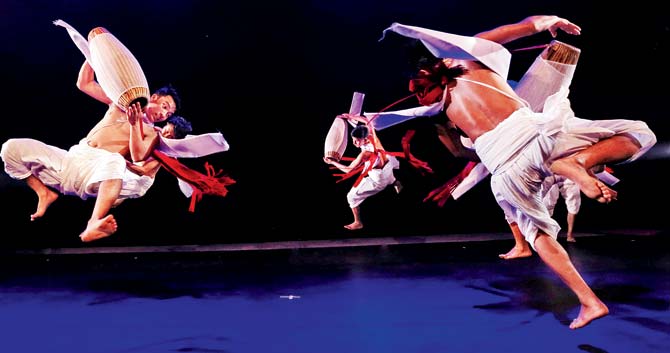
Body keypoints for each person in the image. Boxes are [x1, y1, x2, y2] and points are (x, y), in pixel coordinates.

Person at [383, 15, 657, 329]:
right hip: (540, 137)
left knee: (539, 235)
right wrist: (547, 23)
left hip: (506, 168)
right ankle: (579, 163)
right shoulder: (469, 67)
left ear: (430, 77)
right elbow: (509, 31)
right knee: (639, 132)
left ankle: (590, 301)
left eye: (419, 88)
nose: (418, 94)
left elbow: (459, 150)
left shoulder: (448, 104)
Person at [1, 60, 180, 242]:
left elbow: (138, 156)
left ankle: (94, 222)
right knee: (11, 148)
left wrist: (135, 125)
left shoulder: (154, 133)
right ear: (155, 97)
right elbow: (84, 83)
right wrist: (94, 54)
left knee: (115, 160)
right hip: (72, 160)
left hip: (96, 175)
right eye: (165, 107)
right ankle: (44, 193)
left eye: (169, 114)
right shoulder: (119, 104)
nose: (164, 115)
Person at [323, 123, 401, 230]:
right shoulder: (371, 135)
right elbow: (366, 121)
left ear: (364, 139)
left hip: (378, 179)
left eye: (357, 140)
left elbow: (348, 170)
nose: (354, 142)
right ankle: (396, 183)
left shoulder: (365, 154)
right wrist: (350, 117)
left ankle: (358, 222)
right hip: (388, 165)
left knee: (351, 197)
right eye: (353, 139)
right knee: (388, 174)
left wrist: (332, 162)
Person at [542, 175, 580, 242]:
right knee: (548, 205)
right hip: (552, 178)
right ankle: (544, 233)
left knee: (574, 206)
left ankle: (569, 234)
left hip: (569, 178)